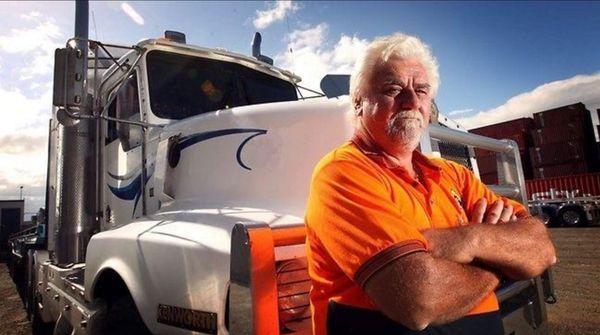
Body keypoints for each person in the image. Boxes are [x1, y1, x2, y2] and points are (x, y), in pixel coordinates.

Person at [304, 33, 556, 335]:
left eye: (421, 91)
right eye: (393, 89)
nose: (411, 102)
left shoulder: (454, 174)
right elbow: (419, 301)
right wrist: (503, 261)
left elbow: (542, 249)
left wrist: (469, 240)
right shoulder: (343, 172)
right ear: (359, 103)